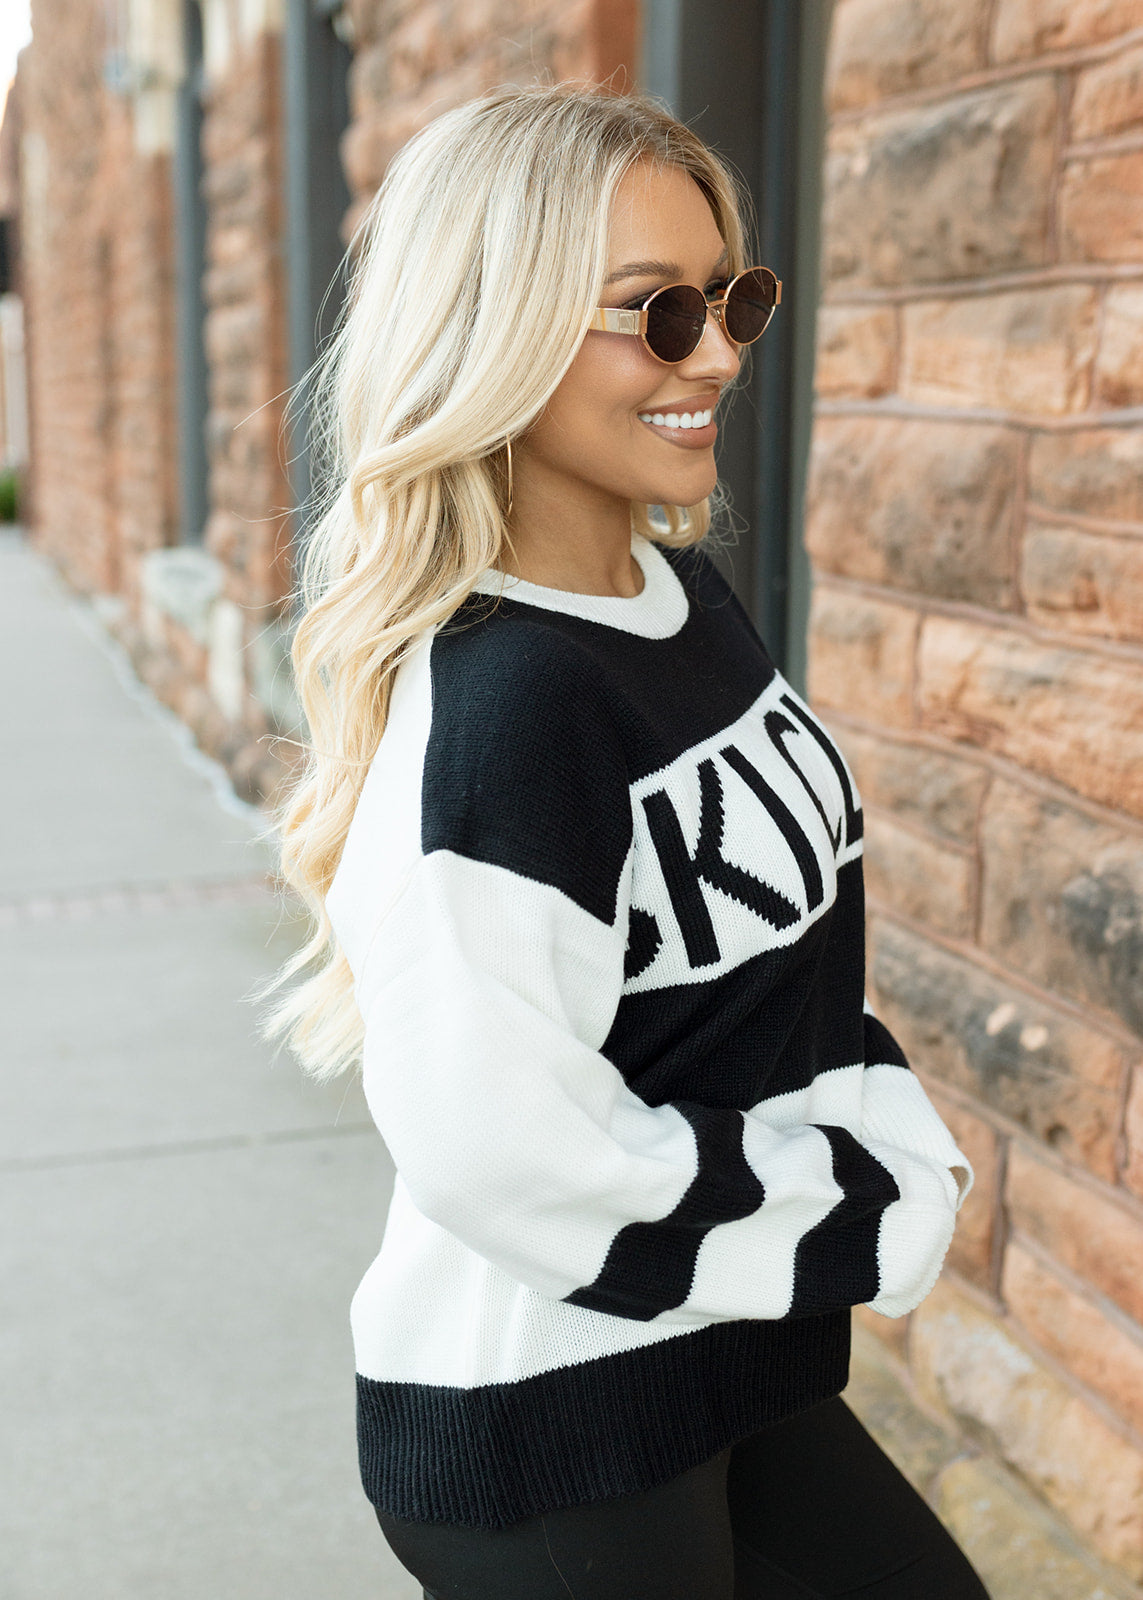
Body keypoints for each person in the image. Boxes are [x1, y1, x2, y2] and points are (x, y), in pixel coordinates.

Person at [253, 85, 990, 1600]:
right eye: (658, 314)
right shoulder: (510, 709)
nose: (715, 356)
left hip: (722, 1352)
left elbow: (775, 967)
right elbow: (503, 1148)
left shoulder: (677, 598)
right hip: (552, 1426)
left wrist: (867, 1120)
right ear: (499, 331)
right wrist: (848, 1209)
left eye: (731, 300)